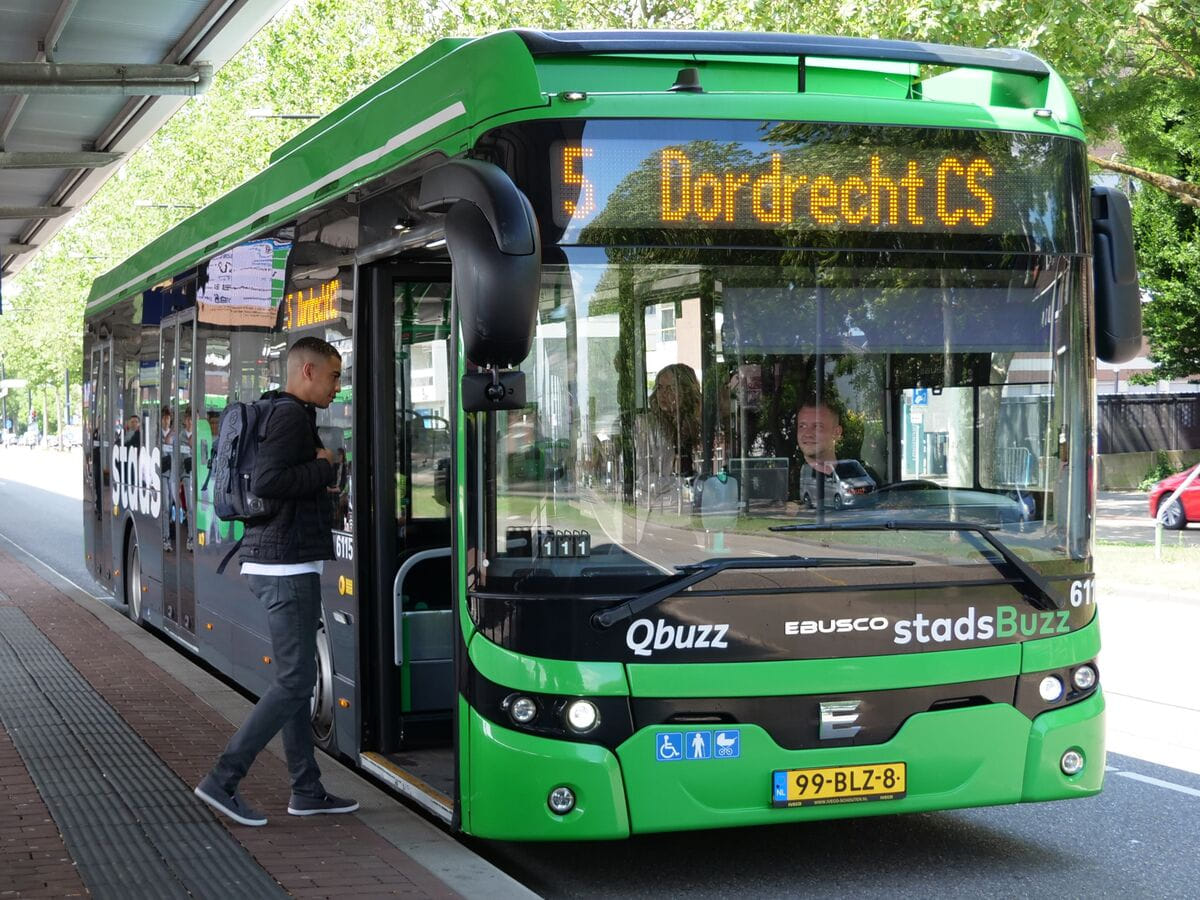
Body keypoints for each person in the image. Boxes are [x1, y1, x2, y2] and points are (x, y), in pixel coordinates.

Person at [194, 336, 357, 827]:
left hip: (281, 561)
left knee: (296, 680)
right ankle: (222, 779)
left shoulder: (285, 413)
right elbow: (268, 482)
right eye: (333, 376)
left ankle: (306, 790)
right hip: (285, 566)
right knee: (294, 682)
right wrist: (323, 468)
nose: (337, 386)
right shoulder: (288, 417)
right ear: (307, 371)